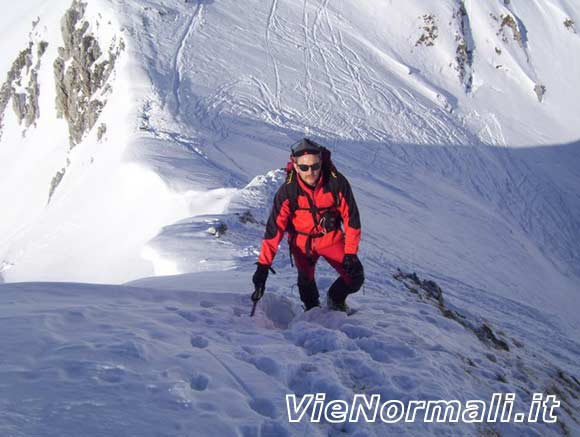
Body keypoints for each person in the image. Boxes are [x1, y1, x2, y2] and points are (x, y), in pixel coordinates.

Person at [252, 138, 364, 312]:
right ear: (296, 166)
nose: (310, 172)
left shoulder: (336, 183)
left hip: (330, 238)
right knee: (305, 281)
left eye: (315, 166)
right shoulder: (288, 191)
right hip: (301, 243)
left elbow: (352, 219)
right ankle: (312, 311)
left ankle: (335, 299)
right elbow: (274, 230)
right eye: (304, 167)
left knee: (355, 277)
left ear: (321, 163)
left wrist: (351, 252)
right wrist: (263, 267)